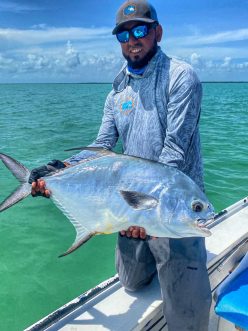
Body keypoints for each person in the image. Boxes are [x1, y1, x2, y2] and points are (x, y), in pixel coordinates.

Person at [29, 1, 212, 330]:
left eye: (140, 30)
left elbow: (174, 152)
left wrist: (148, 212)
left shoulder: (181, 77)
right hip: (131, 206)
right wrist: (60, 168)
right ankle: (156, 262)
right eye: (123, 34)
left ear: (157, 32)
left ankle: (182, 265)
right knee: (130, 284)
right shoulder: (117, 91)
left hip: (170, 207)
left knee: (189, 318)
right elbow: (101, 147)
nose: (132, 39)